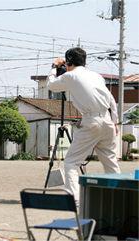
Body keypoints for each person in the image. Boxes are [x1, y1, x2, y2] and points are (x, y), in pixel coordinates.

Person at [47, 47, 121, 204]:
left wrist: (54, 67)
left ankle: (75, 200)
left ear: (69, 62)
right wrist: (115, 122)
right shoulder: (96, 75)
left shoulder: (71, 75)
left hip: (91, 120)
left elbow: (51, 85)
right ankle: (120, 196)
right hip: (107, 119)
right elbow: (111, 100)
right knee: (110, 160)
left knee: (71, 162)